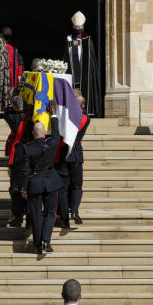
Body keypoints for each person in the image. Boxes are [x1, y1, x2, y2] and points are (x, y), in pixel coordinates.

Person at [21, 105, 65, 255]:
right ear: (45, 133)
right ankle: (46, 240)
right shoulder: (51, 143)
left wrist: (24, 188)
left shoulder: (27, 148)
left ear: (33, 134)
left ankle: (38, 244)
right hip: (51, 180)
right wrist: (53, 116)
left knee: (36, 215)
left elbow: (25, 170)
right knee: (50, 212)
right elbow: (57, 135)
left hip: (34, 183)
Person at [65, 11, 102, 116]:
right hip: (72, 69)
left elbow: (92, 58)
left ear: (83, 26)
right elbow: (66, 56)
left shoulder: (88, 39)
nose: (78, 29)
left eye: (80, 26)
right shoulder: (68, 38)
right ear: (73, 26)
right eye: (76, 27)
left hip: (85, 71)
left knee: (86, 88)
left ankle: (87, 111)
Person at [4, 95, 33, 227]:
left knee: (15, 187)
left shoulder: (12, 116)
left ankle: (18, 215)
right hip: (31, 152)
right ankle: (28, 214)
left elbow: (6, 112)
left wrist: (13, 104)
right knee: (27, 186)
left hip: (19, 154)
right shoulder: (32, 116)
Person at [64, 92, 90, 225]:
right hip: (72, 153)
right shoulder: (81, 115)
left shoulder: (77, 116)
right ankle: (72, 210)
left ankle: (73, 211)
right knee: (75, 185)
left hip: (71, 151)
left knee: (74, 184)